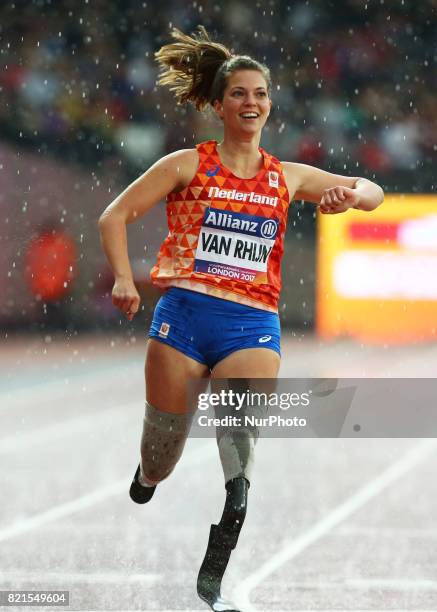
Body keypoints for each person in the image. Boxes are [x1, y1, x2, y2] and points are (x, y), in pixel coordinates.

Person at [98, 26, 384, 612]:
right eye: (238, 95)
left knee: (239, 448)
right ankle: (149, 477)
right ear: (220, 104)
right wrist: (125, 279)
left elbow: (373, 191)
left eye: (260, 94)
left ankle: (231, 517)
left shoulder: (289, 176)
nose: (250, 103)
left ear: (270, 104)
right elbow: (114, 215)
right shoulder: (186, 164)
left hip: (251, 325)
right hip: (183, 318)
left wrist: (350, 197)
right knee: (162, 457)